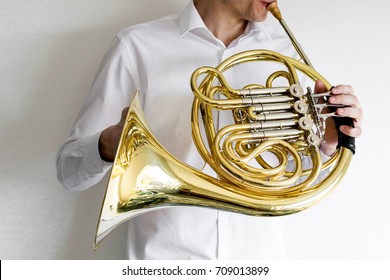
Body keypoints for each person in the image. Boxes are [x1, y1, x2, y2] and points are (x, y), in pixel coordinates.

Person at [56, 0, 363, 259]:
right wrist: (109, 144)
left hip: (258, 260)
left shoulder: (285, 52)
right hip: (164, 261)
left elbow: (298, 178)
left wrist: (327, 144)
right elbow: (68, 170)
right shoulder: (137, 46)